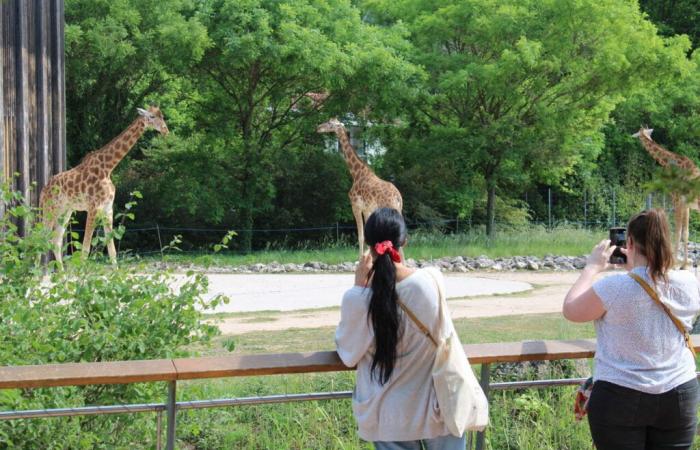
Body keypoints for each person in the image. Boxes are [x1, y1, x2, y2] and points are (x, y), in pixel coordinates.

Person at [563, 209, 700, 450]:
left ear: (629, 243)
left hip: (620, 396)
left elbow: (571, 310)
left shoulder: (613, 287)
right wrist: (636, 273)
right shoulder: (689, 281)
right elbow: (653, 288)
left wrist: (592, 268)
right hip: (679, 393)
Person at [335, 208, 465, 450]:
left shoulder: (359, 298)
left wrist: (358, 288)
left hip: (388, 416)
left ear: (368, 245)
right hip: (439, 407)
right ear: (404, 241)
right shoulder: (431, 280)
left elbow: (348, 354)